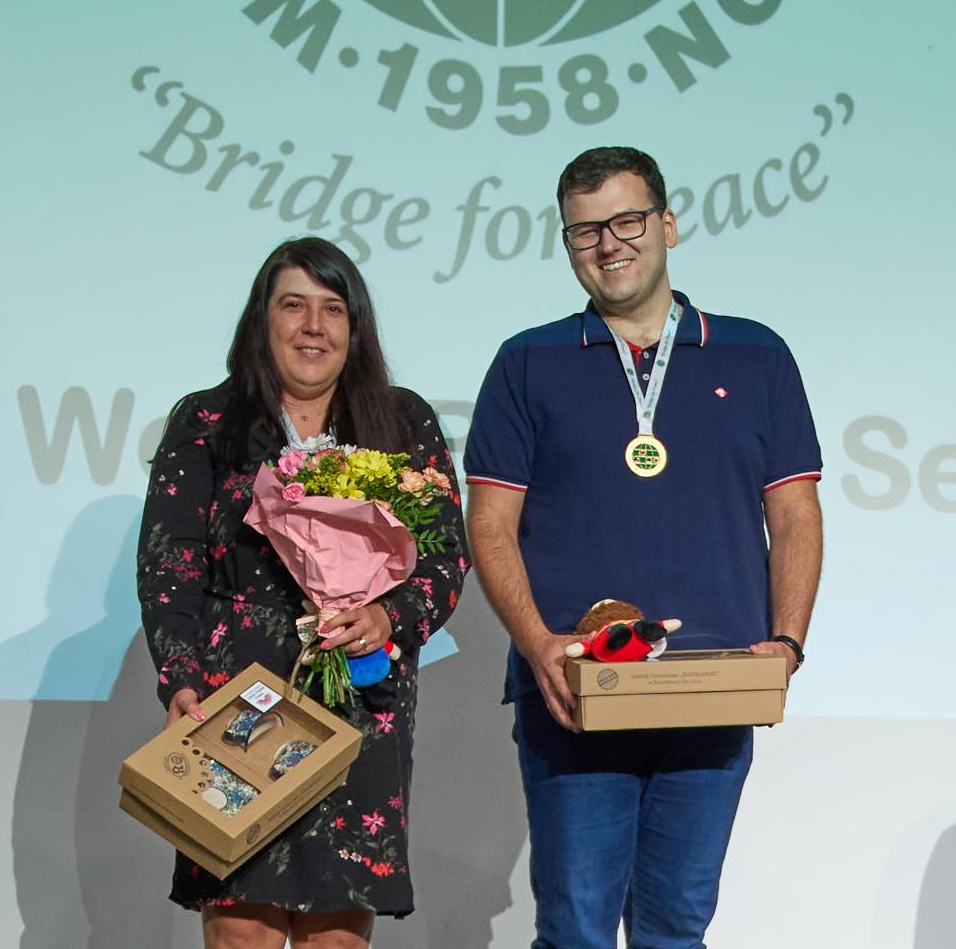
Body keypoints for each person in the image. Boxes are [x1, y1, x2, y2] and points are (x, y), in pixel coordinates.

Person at [464, 146, 822, 949]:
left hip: (714, 683)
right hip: (577, 687)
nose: (608, 243)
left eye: (627, 221)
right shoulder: (527, 362)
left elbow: (795, 512)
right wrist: (536, 644)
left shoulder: (756, 354)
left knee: (676, 929)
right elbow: (489, 523)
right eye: (584, 230)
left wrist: (789, 643)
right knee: (577, 929)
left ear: (668, 224)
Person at [137, 237, 468, 949]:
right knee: (241, 930)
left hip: (361, 696)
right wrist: (183, 681)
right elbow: (170, 567)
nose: (313, 327)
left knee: (336, 936)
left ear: (356, 328)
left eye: (332, 309)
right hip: (238, 695)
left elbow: (446, 559)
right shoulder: (205, 421)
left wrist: (387, 616)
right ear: (263, 320)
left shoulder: (403, 422)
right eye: (294, 306)